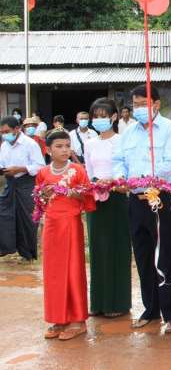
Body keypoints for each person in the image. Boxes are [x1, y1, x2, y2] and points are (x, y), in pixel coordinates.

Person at [112, 84, 171, 333]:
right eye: (135, 105)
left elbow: (170, 163)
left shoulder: (170, 129)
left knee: (167, 254)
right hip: (135, 199)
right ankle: (151, 308)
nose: (139, 109)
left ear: (156, 104)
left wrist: (146, 179)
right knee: (143, 254)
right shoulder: (128, 132)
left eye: (143, 104)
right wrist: (120, 178)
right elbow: (118, 160)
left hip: (161, 197)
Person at [37, 130, 96, 340]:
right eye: (59, 146)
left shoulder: (77, 170)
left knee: (73, 270)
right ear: (48, 150)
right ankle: (58, 318)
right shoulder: (43, 172)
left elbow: (89, 198)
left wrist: (77, 194)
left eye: (67, 146)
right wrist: (43, 195)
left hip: (70, 224)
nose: (64, 150)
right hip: (51, 225)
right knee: (53, 272)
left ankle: (78, 320)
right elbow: (39, 200)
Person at [84, 98, 131, 319]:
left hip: (117, 198)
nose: (98, 120)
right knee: (97, 249)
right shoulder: (89, 143)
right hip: (95, 199)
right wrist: (94, 184)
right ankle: (98, 302)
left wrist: (114, 182)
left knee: (117, 247)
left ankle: (118, 302)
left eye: (103, 116)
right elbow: (88, 171)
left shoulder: (122, 141)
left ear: (113, 117)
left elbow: (127, 170)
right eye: (95, 116)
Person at [0, 116, 45, 259]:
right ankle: (6, 247)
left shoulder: (30, 144)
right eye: (2, 132)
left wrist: (20, 169)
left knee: (27, 218)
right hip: (10, 183)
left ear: (17, 129)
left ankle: (28, 253)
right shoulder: (4, 146)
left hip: (26, 184)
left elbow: (40, 166)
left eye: (7, 131)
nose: (4, 135)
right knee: (4, 213)